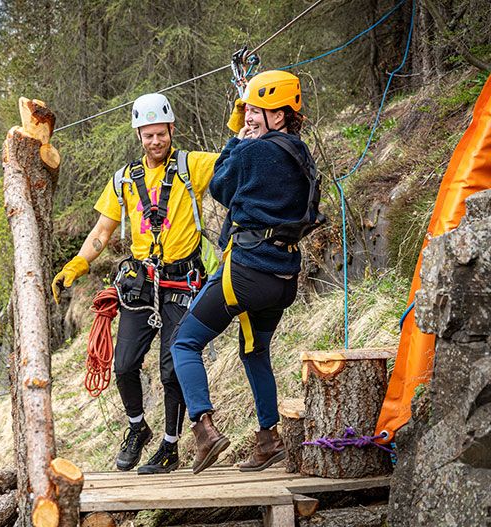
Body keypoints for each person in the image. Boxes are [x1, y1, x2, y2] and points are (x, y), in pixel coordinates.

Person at [52, 93, 219, 474]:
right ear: (139, 136)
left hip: (183, 280)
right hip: (141, 283)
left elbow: (233, 157)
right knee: (125, 365)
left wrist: (247, 120)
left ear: (172, 130)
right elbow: (102, 231)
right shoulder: (124, 180)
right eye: (148, 136)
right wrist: (77, 264)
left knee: (172, 368)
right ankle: (137, 427)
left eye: (161, 134)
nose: (155, 142)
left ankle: (171, 446)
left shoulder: (192, 166)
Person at [171, 70, 319, 474]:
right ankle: (269, 439)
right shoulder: (300, 152)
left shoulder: (254, 152)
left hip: (248, 270)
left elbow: (219, 184)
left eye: (257, 110)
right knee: (254, 352)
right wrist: (249, 125)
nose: (250, 116)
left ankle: (203, 429)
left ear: (278, 113)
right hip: (284, 274)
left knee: (183, 344)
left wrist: (236, 136)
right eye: (248, 111)